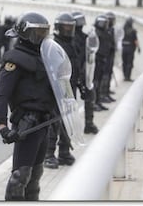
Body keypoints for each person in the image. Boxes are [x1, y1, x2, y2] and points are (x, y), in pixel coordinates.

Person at [0, 12, 55, 200]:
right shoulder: (15, 60)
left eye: (44, 33)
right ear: (25, 34)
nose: (41, 37)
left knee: (35, 176)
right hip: (26, 124)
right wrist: (2, 126)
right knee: (20, 176)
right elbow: (1, 95)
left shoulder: (45, 57)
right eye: (37, 33)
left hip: (44, 123)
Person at [44, 13, 77, 169]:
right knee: (54, 122)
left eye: (71, 27)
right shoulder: (53, 45)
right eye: (66, 26)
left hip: (70, 88)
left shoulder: (73, 44)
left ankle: (64, 152)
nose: (69, 30)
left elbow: (76, 66)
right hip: (57, 89)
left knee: (68, 121)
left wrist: (82, 84)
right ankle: (49, 154)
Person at [71, 11, 99, 134]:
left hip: (83, 73)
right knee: (69, 105)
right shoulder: (69, 39)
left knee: (90, 97)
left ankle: (89, 124)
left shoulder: (85, 38)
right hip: (71, 74)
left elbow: (90, 55)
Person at [93, 14, 112, 111]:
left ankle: (98, 101)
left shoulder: (106, 34)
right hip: (96, 61)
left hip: (103, 60)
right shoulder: (95, 34)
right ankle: (94, 102)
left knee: (99, 82)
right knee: (95, 83)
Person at [122, 17, 140, 81]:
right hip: (130, 49)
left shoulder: (122, 30)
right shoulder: (133, 31)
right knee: (129, 63)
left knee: (124, 62)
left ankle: (124, 76)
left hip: (123, 48)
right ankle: (127, 77)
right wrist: (138, 48)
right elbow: (135, 41)